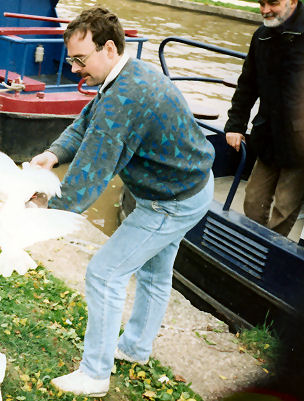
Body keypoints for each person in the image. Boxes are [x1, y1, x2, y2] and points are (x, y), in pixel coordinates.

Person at [29, 7, 215, 397]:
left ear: (108, 48)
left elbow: (88, 179)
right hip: (191, 186)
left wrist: (36, 218)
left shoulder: (125, 98)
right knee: (153, 274)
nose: (74, 68)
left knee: (105, 274)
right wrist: (54, 153)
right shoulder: (125, 74)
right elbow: (88, 120)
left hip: (171, 201)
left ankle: (95, 374)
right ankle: (134, 348)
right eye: (71, 59)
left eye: (80, 60)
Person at [225, 0, 304, 237]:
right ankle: (255, 244)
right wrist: (235, 124)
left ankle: (269, 257)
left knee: (285, 208)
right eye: (261, 3)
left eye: (273, 3)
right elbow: (247, 84)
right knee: (253, 201)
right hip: (269, 136)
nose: (265, 10)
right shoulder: (262, 37)